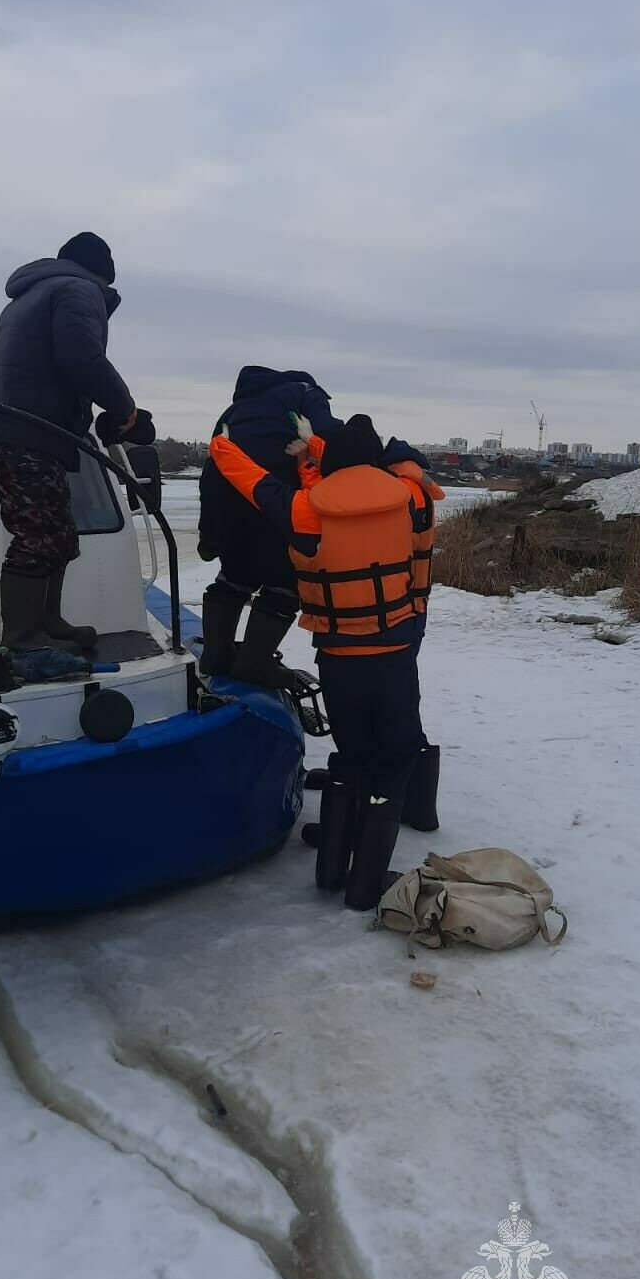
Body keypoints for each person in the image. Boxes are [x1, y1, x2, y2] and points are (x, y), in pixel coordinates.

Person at [208, 414, 444, 910]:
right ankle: (365, 887)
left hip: (339, 658)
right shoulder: (411, 499)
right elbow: (404, 463)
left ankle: (333, 870)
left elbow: (256, 483)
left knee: (351, 754)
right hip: (396, 654)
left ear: (330, 469)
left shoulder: (303, 512)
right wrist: (319, 442)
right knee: (394, 759)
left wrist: (222, 447)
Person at [0, 233, 138, 651]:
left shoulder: (28, 296)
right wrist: (124, 408)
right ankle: (24, 637)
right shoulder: (78, 289)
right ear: (103, 275)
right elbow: (81, 357)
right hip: (27, 432)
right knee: (38, 534)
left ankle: (49, 622)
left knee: (58, 532)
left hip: (19, 428)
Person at [197, 366, 343, 684]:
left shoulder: (232, 412)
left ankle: (216, 654)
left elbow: (212, 468)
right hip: (275, 497)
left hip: (226, 501)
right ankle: (255, 662)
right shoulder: (304, 392)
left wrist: (207, 534)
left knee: (234, 576)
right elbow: (331, 432)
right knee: (284, 581)